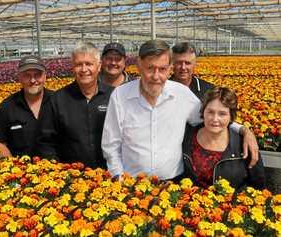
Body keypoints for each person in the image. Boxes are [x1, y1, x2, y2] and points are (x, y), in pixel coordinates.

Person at [102, 39, 260, 181]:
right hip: (131, 183)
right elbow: (111, 143)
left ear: (170, 68)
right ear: (139, 65)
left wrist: (243, 130)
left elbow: (209, 117)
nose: (156, 76)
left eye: (163, 69)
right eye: (150, 68)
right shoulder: (120, 95)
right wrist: (118, 176)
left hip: (174, 183)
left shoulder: (181, 94)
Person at [35, 42, 113, 169]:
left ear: (99, 66)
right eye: (78, 64)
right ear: (72, 68)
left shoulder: (113, 96)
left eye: (89, 64)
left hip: (110, 174)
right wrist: (58, 170)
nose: (83, 69)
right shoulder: (57, 100)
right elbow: (45, 142)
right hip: (72, 178)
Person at [182, 87, 266, 190]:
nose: (215, 119)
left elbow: (258, 187)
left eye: (222, 114)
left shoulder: (244, 145)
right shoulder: (186, 138)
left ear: (231, 116)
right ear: (203, 112)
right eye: (210, 112)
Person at [0, 55, 53, 157]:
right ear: (19, 77)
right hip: (20, 169)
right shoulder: (7, 106)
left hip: (58, 169)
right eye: (27, 75)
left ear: (45, 76)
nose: (32, 80)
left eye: (37, 75)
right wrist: (11, 165)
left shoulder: (58, 101)